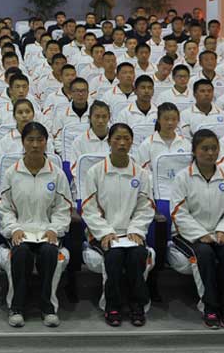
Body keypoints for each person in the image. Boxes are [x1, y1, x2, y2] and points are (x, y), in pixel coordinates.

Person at [0, 122, 72, 328]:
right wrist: (14, 228)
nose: (35, 145)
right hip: (21, 232)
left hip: (47, 232)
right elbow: (4, 208)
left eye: (40, 140)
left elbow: (63, 208)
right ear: (23, 142)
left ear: (46, 142)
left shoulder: (57, 174)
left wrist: (54, 229)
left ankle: (48, 307)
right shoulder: (11, 173)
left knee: (49, 252)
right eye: (30, 140)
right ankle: (17, 307)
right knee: (21, 253)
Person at [79, 123, 155, 327]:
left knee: (138, 255)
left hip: (130, 234)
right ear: (109, 142)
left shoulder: (141, 174)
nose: (122, 143)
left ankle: (137, 305)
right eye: (117, 139)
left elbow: (145, 207)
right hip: (103, 233)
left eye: (126, 139)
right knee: (114, 256)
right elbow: (89, 209)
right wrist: (105, 232)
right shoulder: (95, 172)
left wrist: (136, 230)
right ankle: (112, 305)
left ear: (132, 142)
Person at [170, 129, 224, 329]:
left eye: (214, 148)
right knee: (203, 253)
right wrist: (200, 234)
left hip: (219, 232)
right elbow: (178, 213)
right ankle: (210, 307)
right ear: (194, 151)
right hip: (188, 235)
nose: (210, 153)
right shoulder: (182, 178)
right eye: (205, 149)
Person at [134, 102, 190, 171]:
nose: (170, 123)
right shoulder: (147, 144)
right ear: (158, 120)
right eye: (166, 119)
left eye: (174, 119)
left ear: (178, 120)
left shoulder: (185, 143)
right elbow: (140, 169)